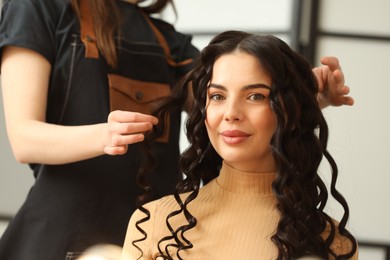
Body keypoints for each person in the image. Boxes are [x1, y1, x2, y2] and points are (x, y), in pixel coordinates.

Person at [0, 0, 352, 259]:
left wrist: (305, 100)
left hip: (164, 235)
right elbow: (24, 140)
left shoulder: (170, 42)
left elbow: (229, 107)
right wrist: (104, 135)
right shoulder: (38, 8)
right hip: (62, 232)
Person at [122, 31, 358, 259]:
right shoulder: (155, 223)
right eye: (218, 96)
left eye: (255, 96)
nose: (231, 113)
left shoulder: (332, 243)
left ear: (291, 112)